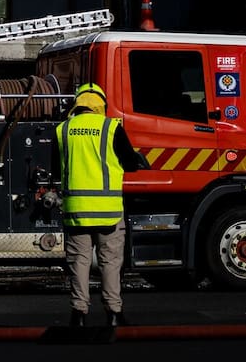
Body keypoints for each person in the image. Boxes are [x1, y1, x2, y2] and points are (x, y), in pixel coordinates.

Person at [56, 84, 147, 327]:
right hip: (108, 212)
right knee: (110, 262)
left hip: (76, 211)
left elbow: (57, 167)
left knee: (79, 262)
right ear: (100, 105)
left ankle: (79, 315)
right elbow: (129, 162)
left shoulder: (63, 129)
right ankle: (114, 314)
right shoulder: (111, 127)